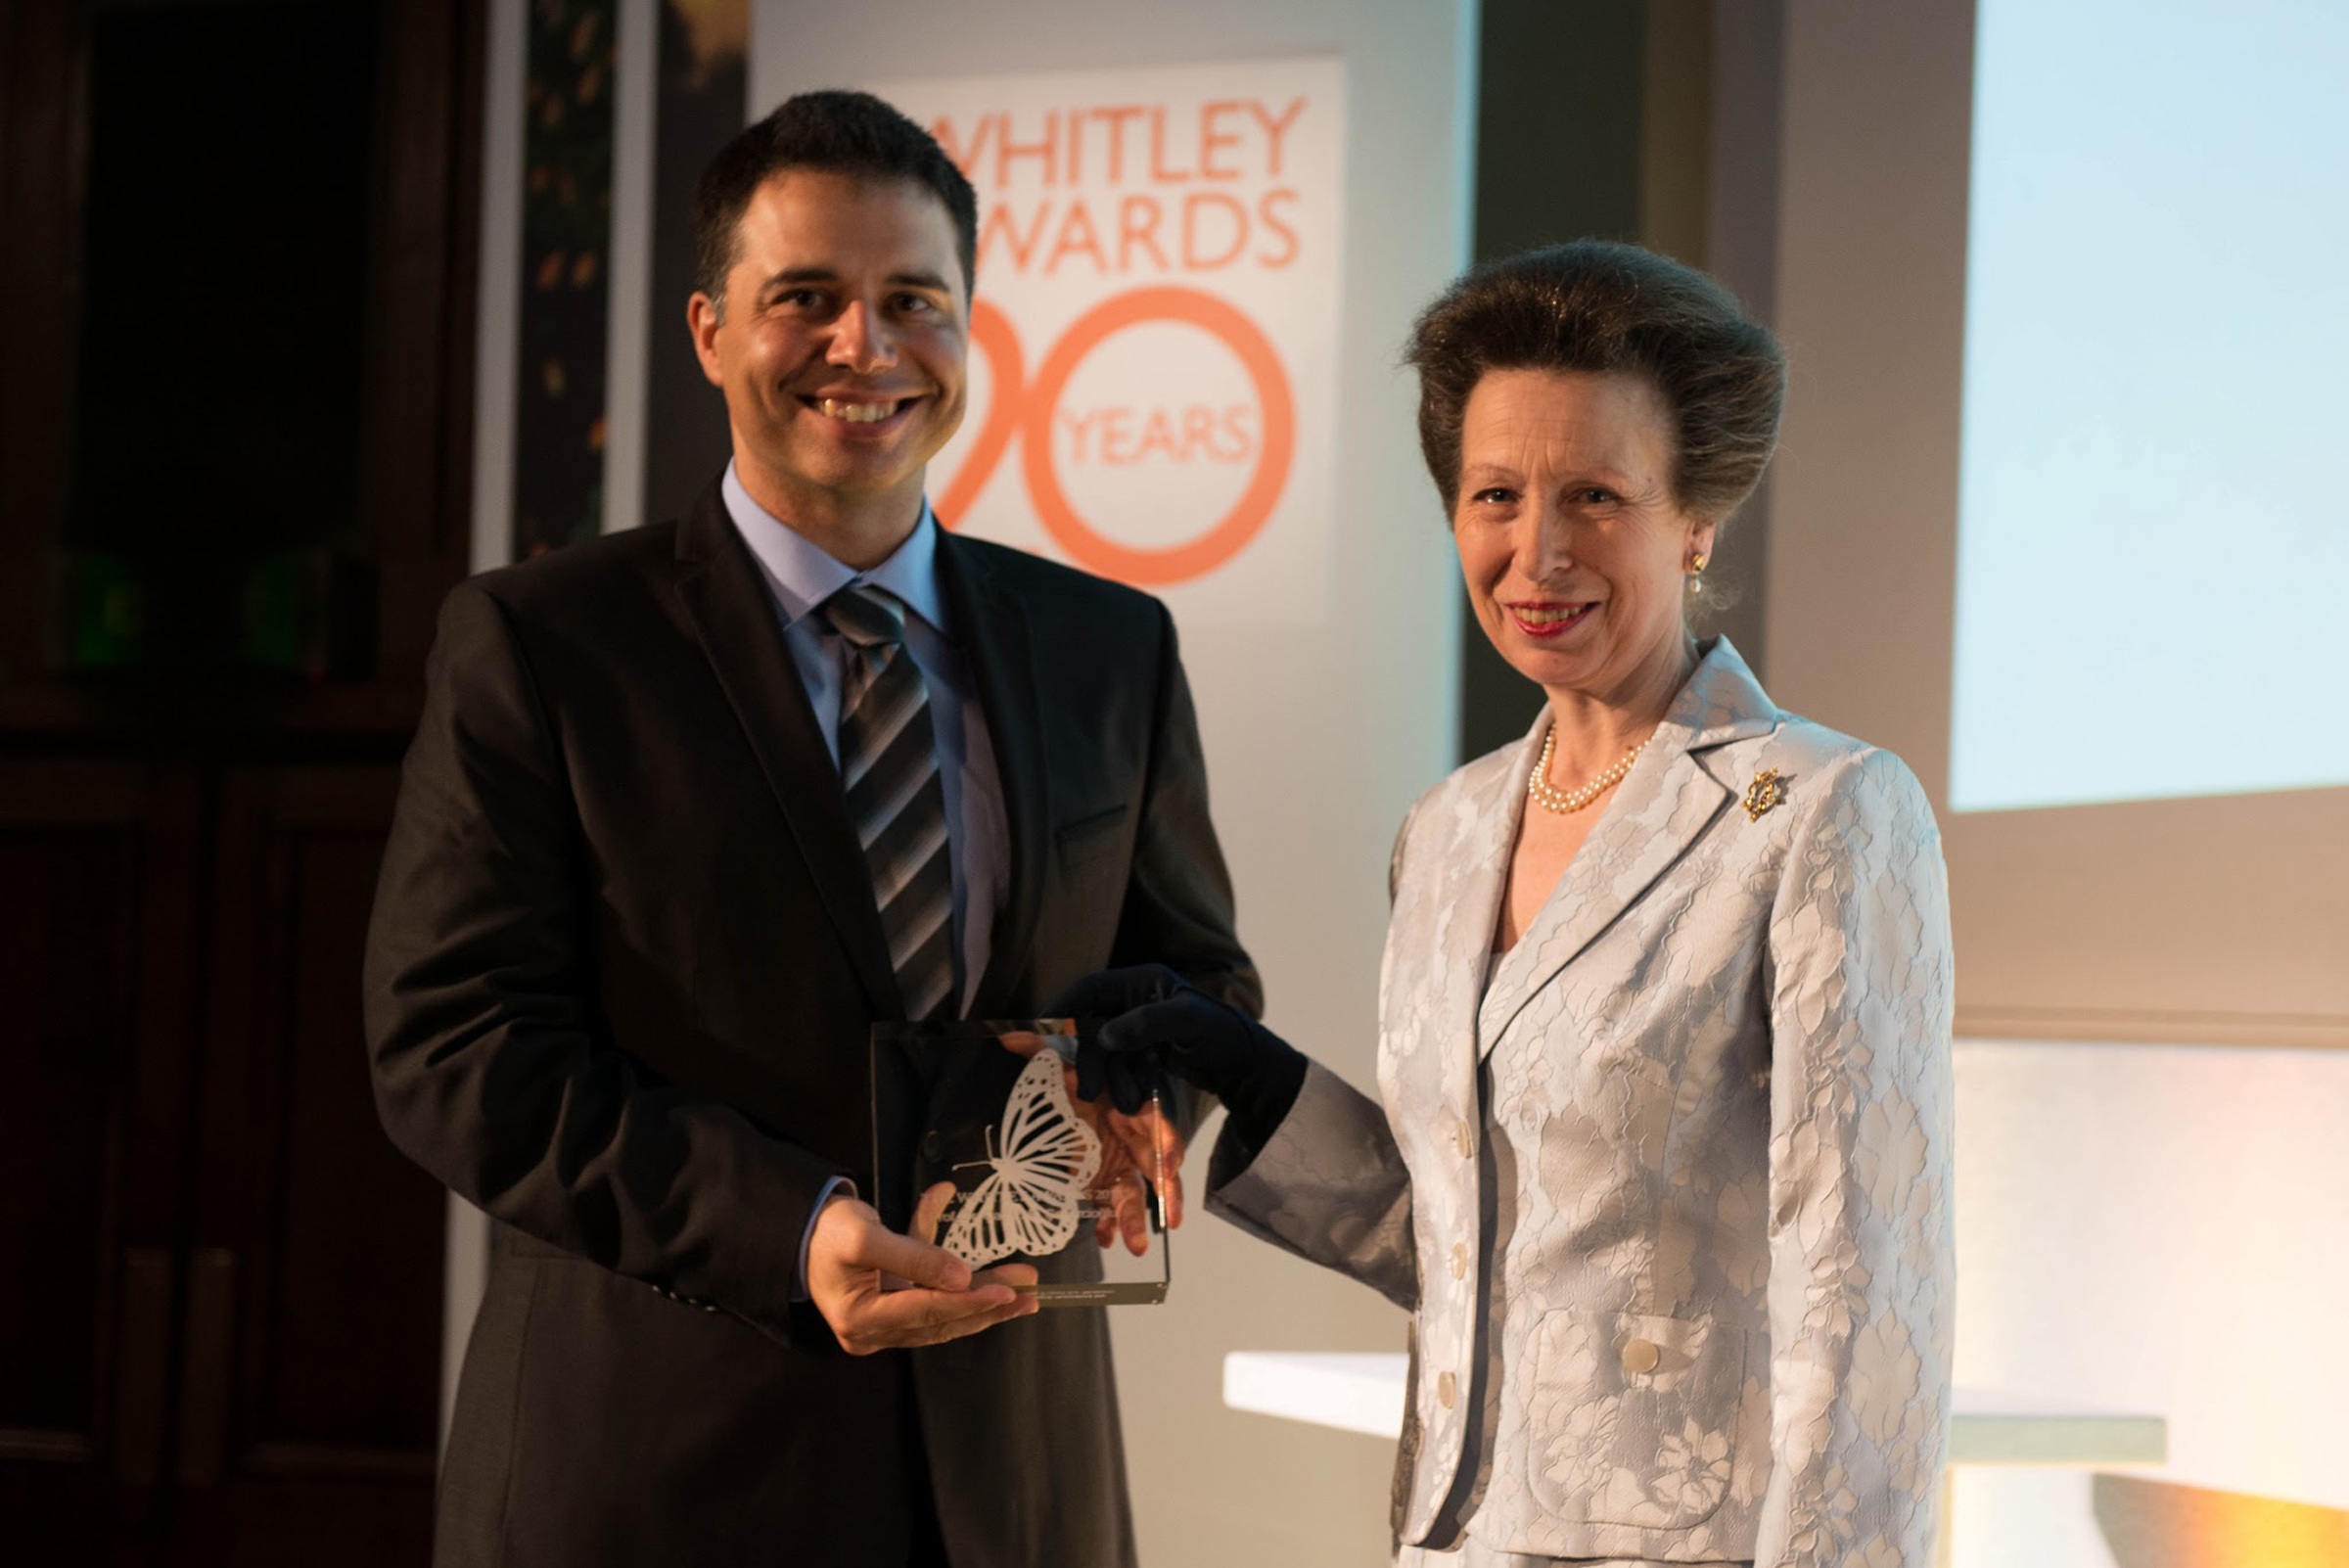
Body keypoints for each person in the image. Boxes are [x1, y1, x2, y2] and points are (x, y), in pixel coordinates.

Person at [363, 89, 1257, 1568]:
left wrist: (1140, 1088)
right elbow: (452, 1047)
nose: (866, 346)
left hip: (1014, 1485)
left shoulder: (1112, 648)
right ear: (711, 329)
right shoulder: (543, 644)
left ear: (969, 331)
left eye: (914, 299)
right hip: (658, 1473)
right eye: (808, 300)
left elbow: (1195, 975)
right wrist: (790, 1225)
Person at [1063, 241, 1955, 1567]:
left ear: (1696, 514)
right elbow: (1471, 1245)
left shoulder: (1826, 812)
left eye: (1595, 494)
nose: (1537, 550)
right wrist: (1246, 1072)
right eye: (1495, 495)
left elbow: (1868, 1302)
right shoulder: (1449, 826)